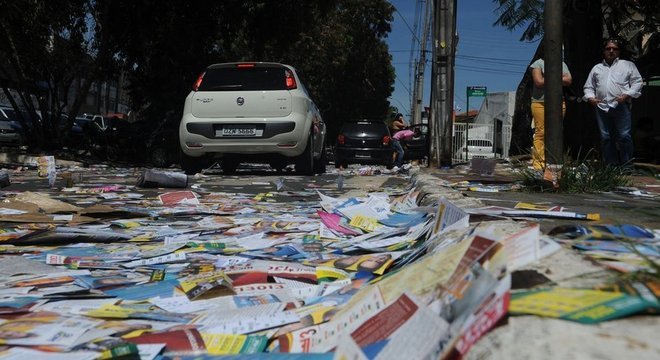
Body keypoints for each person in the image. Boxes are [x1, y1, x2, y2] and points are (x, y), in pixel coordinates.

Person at [583, 39, 643, 167]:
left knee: (624, 136)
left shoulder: (628, 65)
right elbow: (588, 87)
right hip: (601, 106)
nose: (611, 51)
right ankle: (611, 166)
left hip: (621, 105)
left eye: (614, 49)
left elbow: (638, 82)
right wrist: (591, 98)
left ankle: (626, 166)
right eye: (608, 48)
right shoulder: (597, 68)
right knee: (606, 137)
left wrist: (627, 95)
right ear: (604, 51)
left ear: (618, 51)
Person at [529, 57, 572, 169]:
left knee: (556, 132)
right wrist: (558, 77)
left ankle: (554, 161)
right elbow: (538, 82)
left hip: (558, 102)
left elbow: (568, 80)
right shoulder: (538, 63)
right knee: (541, 131)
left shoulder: (561, 63)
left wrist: (547, 78)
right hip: (540, 102)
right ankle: (538, 163)